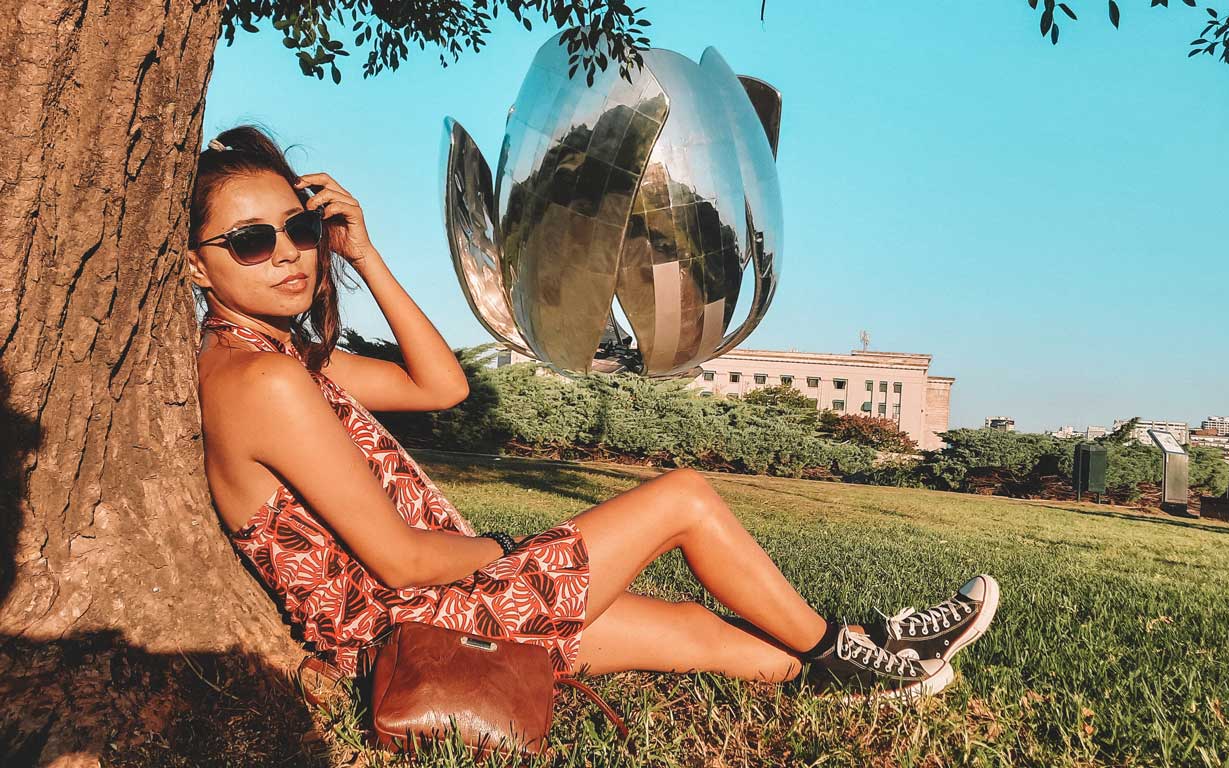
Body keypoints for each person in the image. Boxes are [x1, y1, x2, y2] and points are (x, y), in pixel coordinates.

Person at [186, 124, 1000, 703]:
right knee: (683, 498)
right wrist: (508, 549)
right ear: (194, 263)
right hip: (421, 620)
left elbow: (442, 387)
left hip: (434, 611)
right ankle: (848, 651)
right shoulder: (262, 383)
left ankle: (874, 662)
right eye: (252, 242)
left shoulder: (284, 361)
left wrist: (363, 253)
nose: (290, 252)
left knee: (695, 631)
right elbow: (399, 561)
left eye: (299, 228)